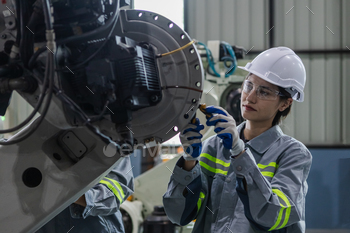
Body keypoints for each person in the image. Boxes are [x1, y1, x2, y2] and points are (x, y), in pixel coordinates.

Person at [163, 47, 312, 232]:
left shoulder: (293, 154)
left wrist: (239, 152)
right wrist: (189, 162)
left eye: (264, 92)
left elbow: (271, 215)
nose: (249, 97)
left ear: (285, 103)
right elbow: (178, 215)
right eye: (249, 85)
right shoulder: (214, 147)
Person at [36, 155, 134, 233]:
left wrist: (70, 194)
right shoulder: (28, 136)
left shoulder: (110, 135)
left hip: (95, 228)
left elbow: (114, 192)